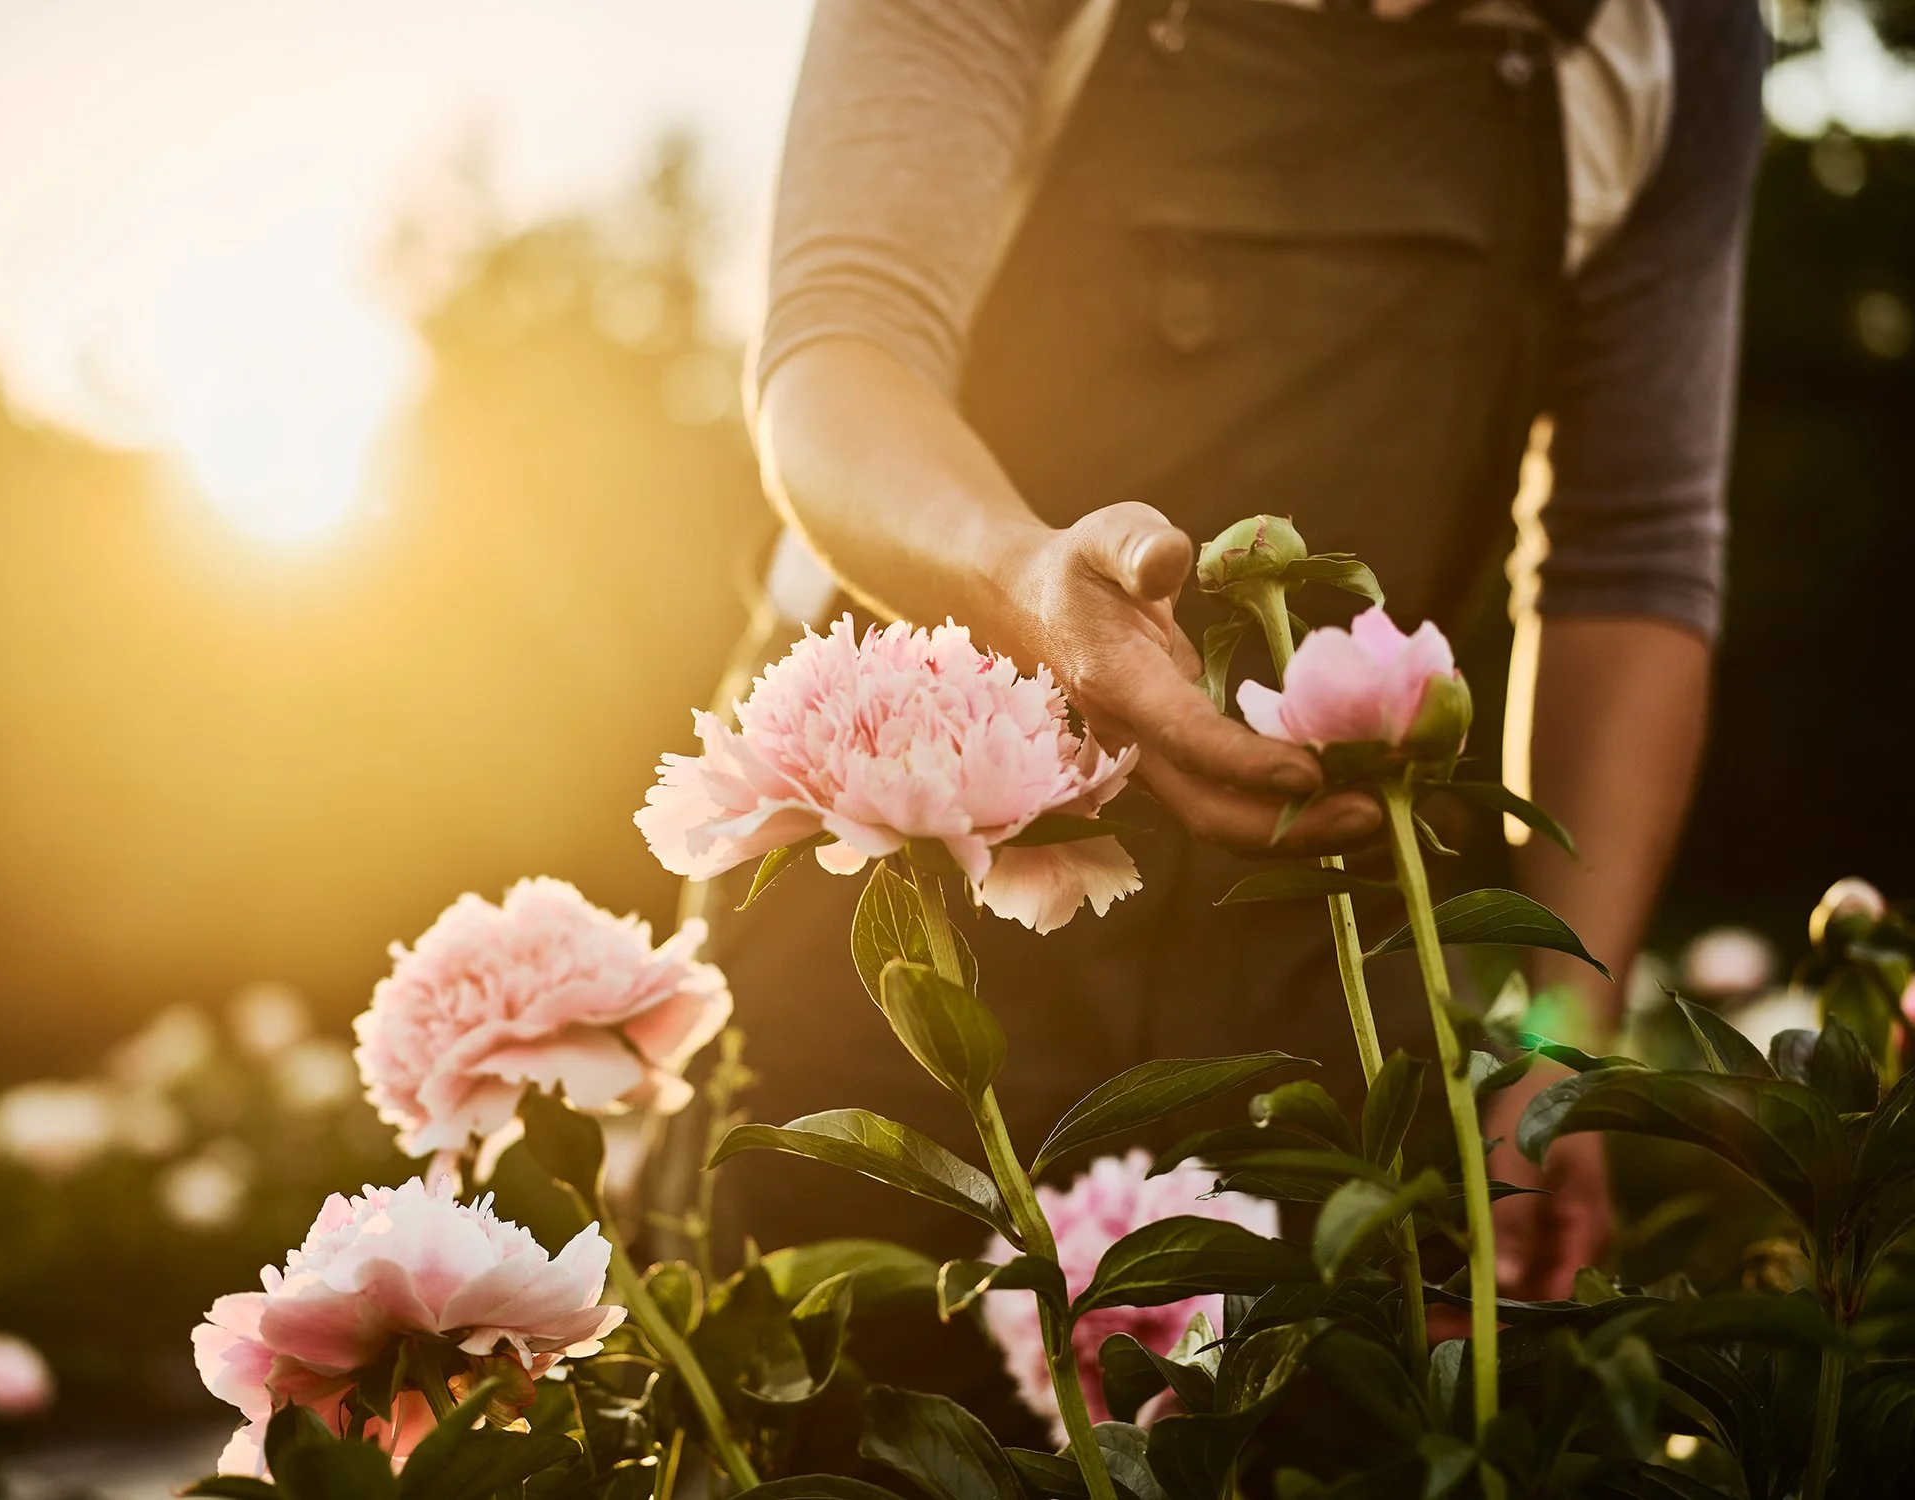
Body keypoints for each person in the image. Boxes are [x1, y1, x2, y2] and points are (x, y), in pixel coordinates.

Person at [696, 0, 1765, 1339]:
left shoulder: (1676, 34)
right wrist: (1026, 583)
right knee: (842, 1382)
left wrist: (1555, 1049)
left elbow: (1631, 551)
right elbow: (844, 346)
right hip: (906, 868)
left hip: (1322, 930)